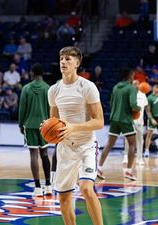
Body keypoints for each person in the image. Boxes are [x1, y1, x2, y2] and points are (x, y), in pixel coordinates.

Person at [48, 46, 103, 225]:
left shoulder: (87, 87)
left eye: (68, 59)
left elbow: (99, 122)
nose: (63, 62)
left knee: (86, 188)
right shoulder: (54, 90)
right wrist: (47, 129)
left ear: (77, 63)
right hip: (65, 148)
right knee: (63, 197)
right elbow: (54, 121)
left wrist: (73, 127)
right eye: (61, 58)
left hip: (86, 146)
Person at [97, 68, 140, 181]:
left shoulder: (115, 87)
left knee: (109, 144)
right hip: (125, 120)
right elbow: (133, 104)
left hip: (114, 119)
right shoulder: (131, 88)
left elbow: (111, 103)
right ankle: (129, 171)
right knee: (132, 144)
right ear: (130, 75)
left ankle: (99, 167)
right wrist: (138, 109)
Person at [18, 63, 51, 197]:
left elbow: (22, 109)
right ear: (42, 74)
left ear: (32, 73)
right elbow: (51, 109)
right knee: (44, 154)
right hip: (45, 125)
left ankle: (37, 188)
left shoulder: (26, 89)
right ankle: (48, 186)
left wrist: (21, 125)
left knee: (33, 155)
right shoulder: (48, 88)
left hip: (30, 125)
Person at [123, 80, 148, 165]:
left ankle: (139, 158)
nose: (135, 85)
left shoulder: (143, 95)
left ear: (139, 85)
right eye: (133, 84)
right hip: (129, 121)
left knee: (140, 140)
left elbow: (146, 108)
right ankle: (126, 156)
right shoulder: (128, 94)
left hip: (140, 122)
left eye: (137, 84)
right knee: (127, 140)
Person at [144, 84, 158, 158]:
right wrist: (151, 119)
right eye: (156, 87)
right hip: (153, 117)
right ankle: (146, 150)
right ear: (154, 88)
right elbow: (147, 110)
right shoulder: (149, 97)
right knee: (149, 135)